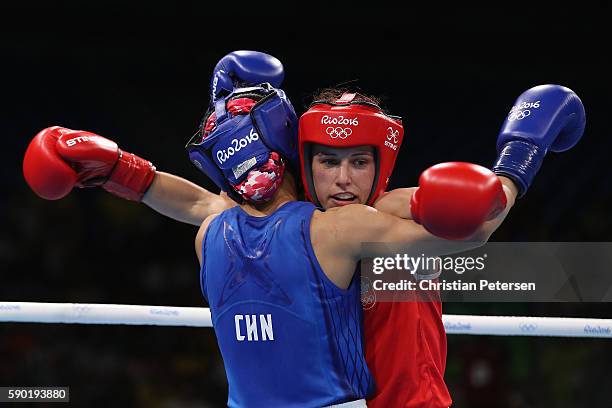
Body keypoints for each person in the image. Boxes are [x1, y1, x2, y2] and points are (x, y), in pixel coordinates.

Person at [23, 51, 585, 407]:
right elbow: (200, 200)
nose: (342, 180)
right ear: (302, 159)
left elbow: (477, 224)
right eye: (328, 162)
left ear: (380, 166)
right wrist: (121, 169)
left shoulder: (396, 210)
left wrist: (516, 160)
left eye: (359, 163)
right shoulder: (293, 224)